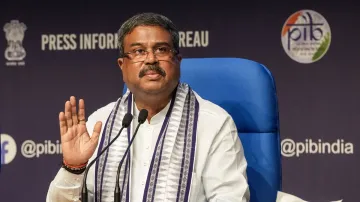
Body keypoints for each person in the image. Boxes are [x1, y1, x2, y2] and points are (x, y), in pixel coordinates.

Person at [46, 12, 250, 202]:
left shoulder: (212, 123)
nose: (151, 59)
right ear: (122, 65)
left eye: (161, 49)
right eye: (138, 51)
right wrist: (73, 168)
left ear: (177, 60)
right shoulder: (100, 123)